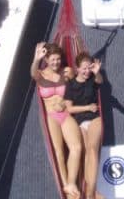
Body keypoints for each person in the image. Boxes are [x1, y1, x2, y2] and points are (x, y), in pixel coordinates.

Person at [31, 42, 82, 199]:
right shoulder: (41, 74)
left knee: (77, 147)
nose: (56, 62)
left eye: (58, 59)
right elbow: (33, 73)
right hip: (51, 116)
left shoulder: (66, 72)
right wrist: (35, 58)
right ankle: (66, 185)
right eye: (53, 59)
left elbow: (76, 88)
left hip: (65, 114)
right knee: (59, 152)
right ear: (46, 59)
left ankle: (71, 183)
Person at [64, 53, 104, 199]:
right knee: (85, 153)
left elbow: (100, 81)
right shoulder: (71, 85)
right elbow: (69, 108)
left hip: (94, 119)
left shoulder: (92, 78)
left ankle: (90, 192)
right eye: (84, 69)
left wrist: (97, 72)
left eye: (89, 68)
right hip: (80, 121)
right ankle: (90, 190)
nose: (87, 71)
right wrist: (87, 107)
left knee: (93, 149)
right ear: (77, 68)